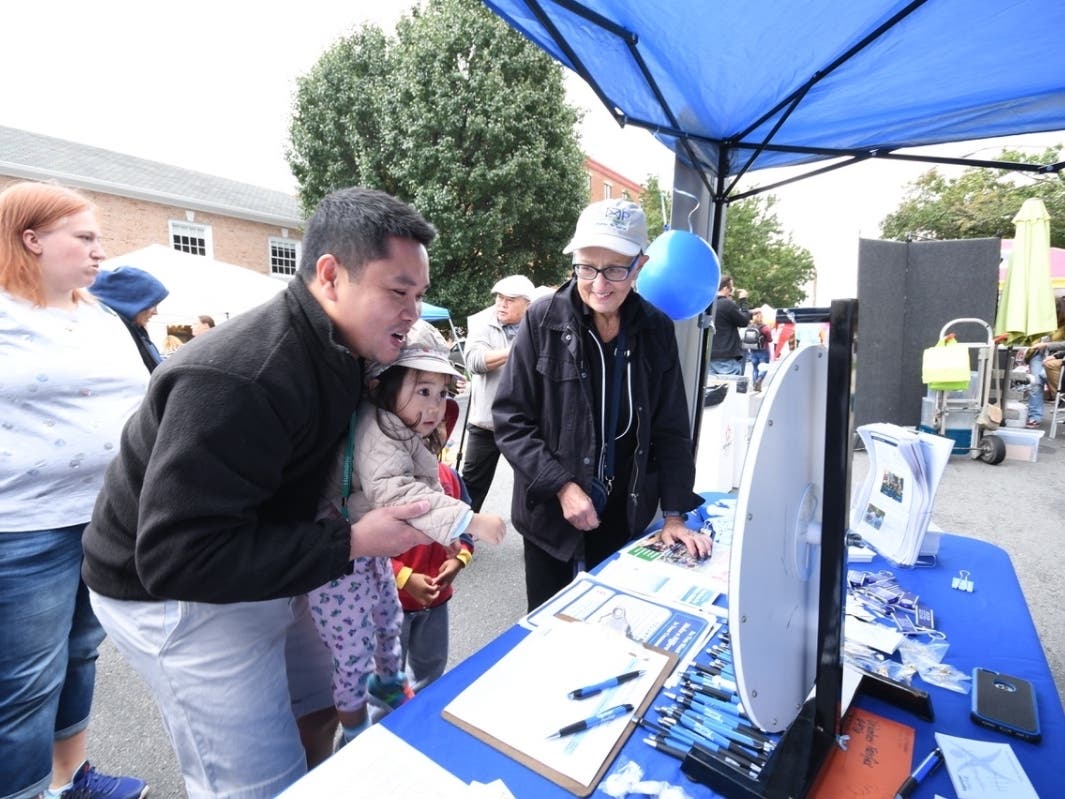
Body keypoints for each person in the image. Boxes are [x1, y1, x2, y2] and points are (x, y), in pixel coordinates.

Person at [81, 187, 444, 798]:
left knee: (322, 698)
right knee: (257, 782)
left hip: (268, 547)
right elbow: (176, 557)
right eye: (398, 292)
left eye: (419, 296)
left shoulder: (348, 349)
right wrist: (352, 541)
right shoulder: (238, 377)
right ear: (330, 276)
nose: (413, 313)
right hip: (168, 592)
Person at [0, 181, 149, 799]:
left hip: (105, 521)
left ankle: (71, 779)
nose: (99, 253)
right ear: (31, 239)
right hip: (22, 527)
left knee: (81, 654)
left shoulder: (101, 315)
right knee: (25, 681)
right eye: (84, 238)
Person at [493, 198, 711, 611]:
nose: (599, 284)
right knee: (549, 628)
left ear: (640, 266)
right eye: (587, 268)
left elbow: (671, 431)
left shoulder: (656, 329)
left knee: (613, 623)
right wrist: (562, 486)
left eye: (615, 269)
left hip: (622, 510)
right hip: (550, 514)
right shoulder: (541, 320)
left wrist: (675, 514)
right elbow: (510, 419)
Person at [309, 321, 504, 746]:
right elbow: (398, 492)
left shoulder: (401, 428)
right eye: (422, 390)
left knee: (387, 616)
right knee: (352, 650)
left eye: (441, 393)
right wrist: (468, 521)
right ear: (381, 386)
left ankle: (389, 681)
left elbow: (430, 481)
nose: (435, 407)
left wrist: (448, 535)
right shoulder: (375, 428)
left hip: (368, 555)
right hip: (339, 562)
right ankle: (355, 730)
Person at [393, 397, 475, 693]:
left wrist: (458, 560)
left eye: (440, 422)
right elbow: (370, 550)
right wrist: (404, 578)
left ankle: (418, 724)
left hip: (437, 600)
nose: (433, 429)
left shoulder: (450, 477)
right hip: (392, 605)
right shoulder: (386, 485)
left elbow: (466, 527)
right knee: (385, 683)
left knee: (432, 670)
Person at [461, 274, 535, 511]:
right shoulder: (482, 321)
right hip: (487, 423)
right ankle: (460, 540)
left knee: (534, 485)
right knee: (472, 485)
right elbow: (474, 362)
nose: (501, 304)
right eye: (499, 298)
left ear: (528, 304)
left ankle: (537, 542)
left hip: (526, 425)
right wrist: (514, 349)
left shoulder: (539, 323)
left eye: (510, 300)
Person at [89, 265, 169, 372]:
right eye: (153, 304)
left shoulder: (135, 332)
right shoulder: (110, 335)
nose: (156, 312)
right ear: (133, 301)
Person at [1024, 296, 1065, 428]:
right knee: (1035, 383)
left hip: (1055, 356)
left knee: (1043, 375)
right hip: (1037, 355)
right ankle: (1034, 416)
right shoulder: (1040, 321)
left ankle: (1058, 397)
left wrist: (1047, 345)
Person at [708, 274, 751, 375]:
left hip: (709, 356)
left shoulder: (708, 304)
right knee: (727, 387)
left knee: (711, 389)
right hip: (725, 358)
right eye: (731, 288)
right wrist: (743, 300)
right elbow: (744, 321)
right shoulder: (727, 304)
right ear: (726, 288)